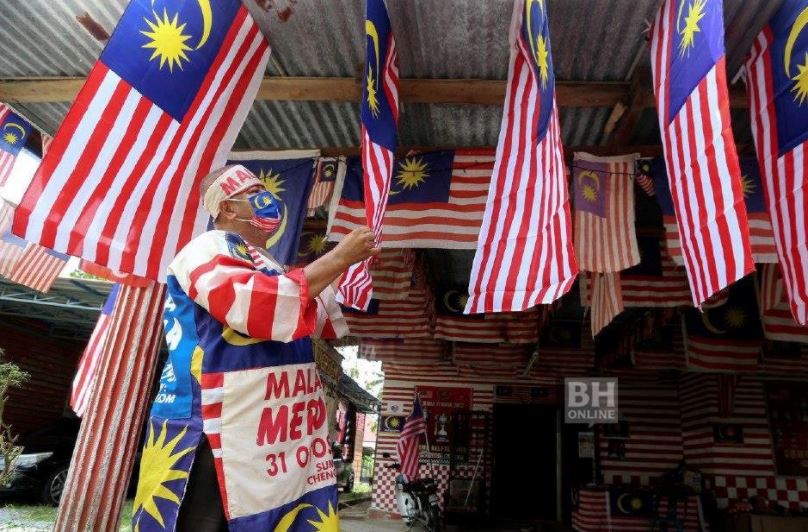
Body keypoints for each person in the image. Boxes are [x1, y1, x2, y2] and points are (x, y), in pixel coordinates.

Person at [132, 164, 378, 532]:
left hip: (264, 430)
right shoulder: (207, 246)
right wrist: (338, 258)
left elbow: (313, 318)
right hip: (216, 425)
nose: (271, 202)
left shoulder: (270, 263)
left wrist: (344, 264)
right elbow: (253, 304)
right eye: (256, 193)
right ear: (228, 208)